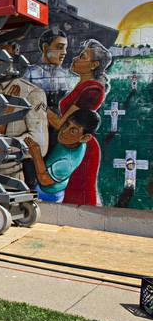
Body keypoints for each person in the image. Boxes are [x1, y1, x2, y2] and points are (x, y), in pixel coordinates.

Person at [47, 39, 112, 206]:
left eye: (82, 56)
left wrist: (38, 105)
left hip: (81, 145)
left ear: (93, 65)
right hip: (71, 141)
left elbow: (61, 123)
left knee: (80, 190)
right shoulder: (83, 85)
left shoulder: (92, 89)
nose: (75, 58)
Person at [0, 43, 48, 182]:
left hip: (9, 178)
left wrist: (3, 146)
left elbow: (40, 143)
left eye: (3, 52)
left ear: (14, 53)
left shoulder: (31, 93)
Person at [25, 108, 100, 203]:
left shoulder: (67, 163)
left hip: (46, 192)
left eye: (73, 131)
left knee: (25, 167)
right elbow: (57, 123)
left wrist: (36, 154)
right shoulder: (73, 140)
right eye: (66, 124)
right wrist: (43, 109)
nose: (64, 131)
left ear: (85, 138)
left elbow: (44, 180)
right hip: (50, 169)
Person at [24, 30, 72, 111]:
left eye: (65, 48)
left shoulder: (66, 75)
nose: (64, 52)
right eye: (60, 47)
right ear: (45, 48)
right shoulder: (30, 73)